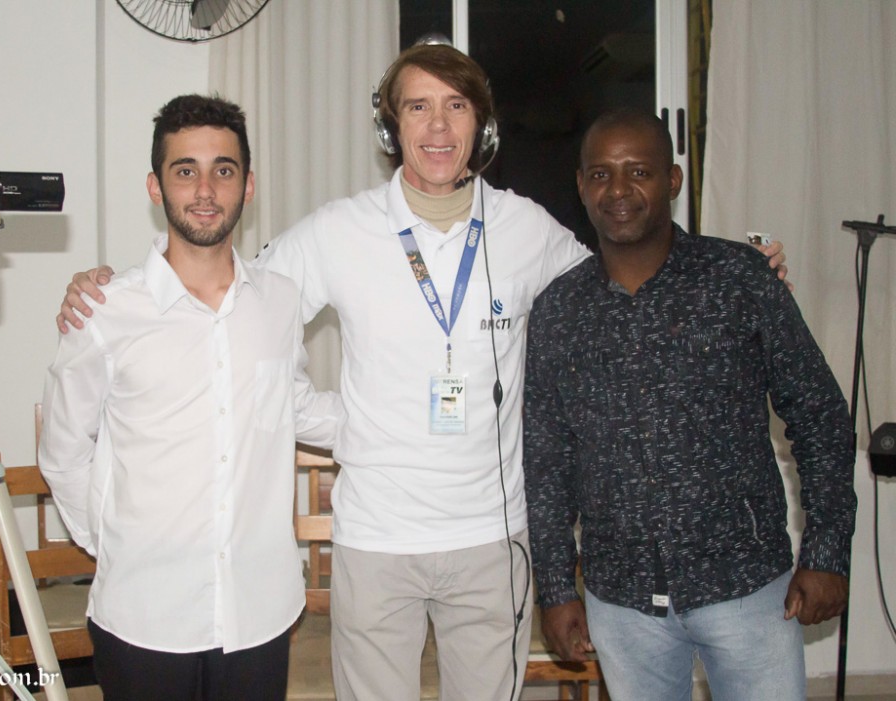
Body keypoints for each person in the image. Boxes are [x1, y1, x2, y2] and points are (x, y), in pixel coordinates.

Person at [53, 46, 789, 701]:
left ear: (481, 128)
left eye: (455, 106)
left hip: (492, 537)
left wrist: (728, 266)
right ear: (391, 129)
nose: (437, 126)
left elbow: (623, 281)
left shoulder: (526, 228)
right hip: (375, 538)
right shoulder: (335, 231)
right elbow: (231, 307)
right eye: (417, 107)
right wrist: (108, 289)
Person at [523, 108, 856, 701]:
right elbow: (547, 463)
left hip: (747, 587)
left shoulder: (738, 280)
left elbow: (819, 415)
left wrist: (827, 551)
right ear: (581, 185)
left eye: (639, 171)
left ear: (672, 180)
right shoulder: (560, 310)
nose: (619, 190)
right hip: (622, 602)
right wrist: (555, 589)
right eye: (601, 174)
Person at [38, 94, 341, 701]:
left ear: (248, 185)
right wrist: (113, 544)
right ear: (156, 187)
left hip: (259, 613)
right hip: (143, 617)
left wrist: (409, 418)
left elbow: (293, 403)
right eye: (185, 170)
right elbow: (64, 452)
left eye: (223, 170)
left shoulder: (280, 301)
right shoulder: (105, 310)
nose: (205, 189)